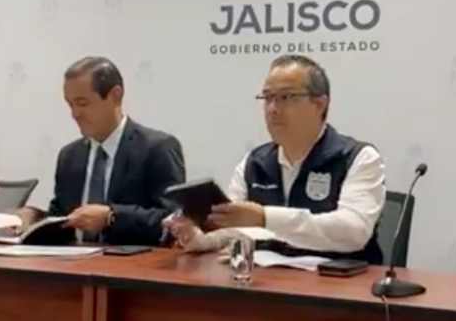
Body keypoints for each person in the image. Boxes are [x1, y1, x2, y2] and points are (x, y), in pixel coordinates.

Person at [165, 54, 387, 264]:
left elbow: (354, 232)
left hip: (339, 283)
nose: (272, 109)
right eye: (268, 98)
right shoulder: (255, 162)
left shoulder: (357, 157)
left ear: (320, 104)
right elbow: (234, 230)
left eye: (285, 98)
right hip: (269, 281)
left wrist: (264, 217)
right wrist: (198, 237)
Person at [17, 56, 185, 245]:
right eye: (70, 104)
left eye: (82, 103)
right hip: (71, 260)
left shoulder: (156, 149)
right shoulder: (70, 156)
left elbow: (175, 221)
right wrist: (35, 217)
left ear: (115, 96)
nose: (74, 114)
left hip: (130, 261)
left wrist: (111, 217)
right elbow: (63, 218)